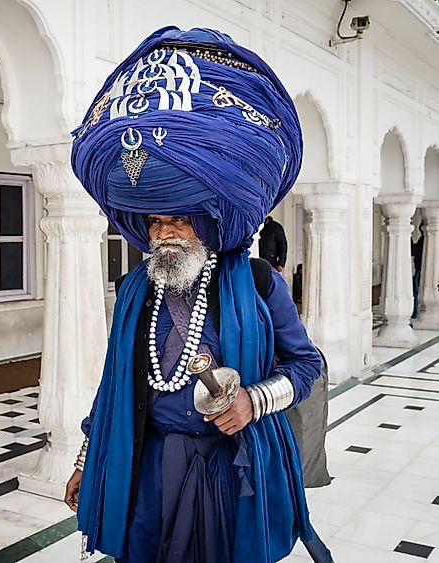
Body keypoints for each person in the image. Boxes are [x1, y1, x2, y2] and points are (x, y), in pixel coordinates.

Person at [66, 26, 332, 563]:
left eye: (179, 221)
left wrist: (253, 401)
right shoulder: (137, 287)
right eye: (156, 221)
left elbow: (308, 365)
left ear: (208, 223)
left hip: (228, 474)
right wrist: (86, 457)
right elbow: (114, 380)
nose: (164, 233)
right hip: (149, 469)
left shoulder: (259, 281)